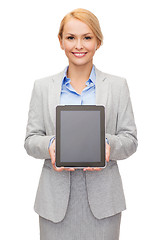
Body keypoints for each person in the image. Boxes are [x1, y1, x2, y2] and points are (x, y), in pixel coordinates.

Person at [24, 8, 138, 240]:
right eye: (71, 37)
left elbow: (130, 140)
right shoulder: (43, 87)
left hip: (104, 203)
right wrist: (52, 145)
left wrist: (106, 145)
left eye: (87, 37)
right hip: (55, 204)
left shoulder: (117, 86)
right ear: (60, 41)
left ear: (98, 41)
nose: (79, 45)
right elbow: (30, 140)